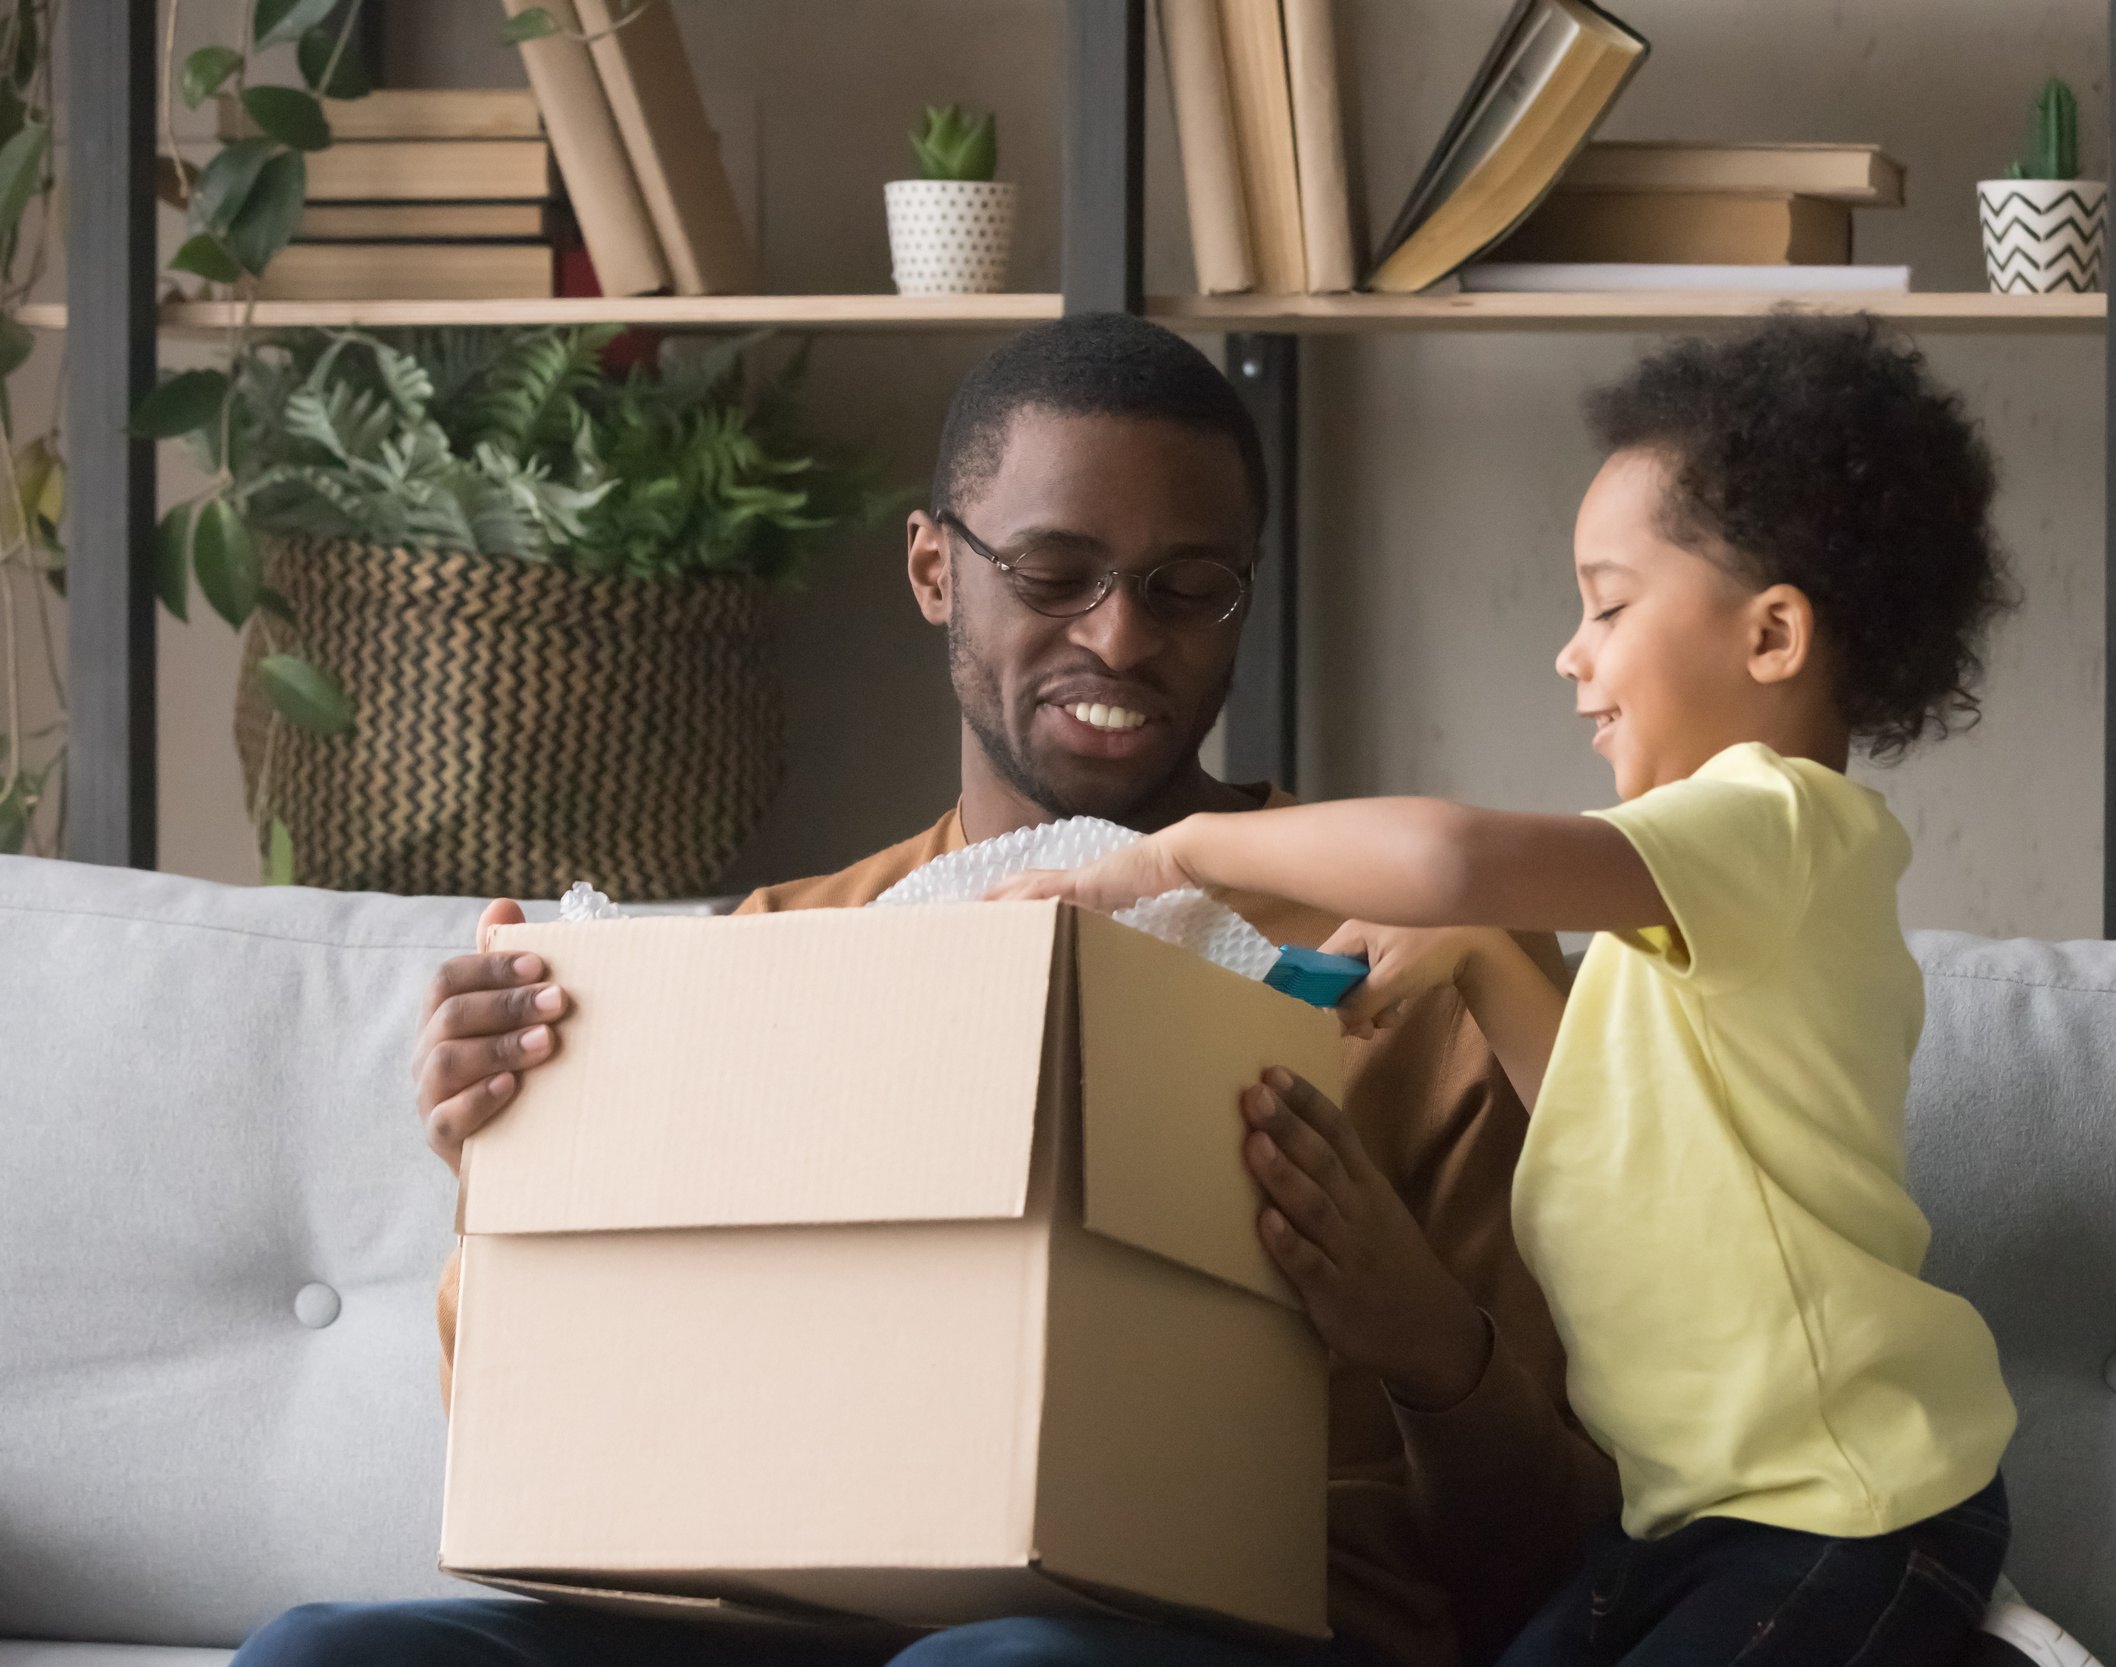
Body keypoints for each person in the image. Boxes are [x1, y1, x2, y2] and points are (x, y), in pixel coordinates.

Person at [232, 314, 1612, 1667]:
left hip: (1250, 1621)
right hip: (812, 1613)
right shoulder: (789, 946)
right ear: (933, 570)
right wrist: (507, 1177)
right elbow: (573, 1455)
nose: (1123, 642)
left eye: (1189, 588)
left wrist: (1422, 1333)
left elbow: (1553, 1555)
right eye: (1054, 572)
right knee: (323, 1654)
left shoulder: (1417, 959)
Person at [998, 315, 2024, 1667]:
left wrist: (1180, 851)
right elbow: (1617, 1144)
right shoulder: (1710, 915)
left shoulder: (1774, 823)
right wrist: (1480, 960)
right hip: (1684, 1525)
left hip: (1848, 1516)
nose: (1571, 652)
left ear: (1774, 635)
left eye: (1607, 603)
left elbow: (1449, 853)